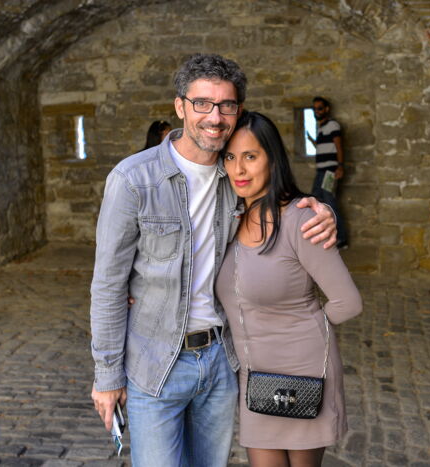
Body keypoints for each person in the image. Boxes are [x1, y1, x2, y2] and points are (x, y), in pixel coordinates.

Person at [89, 54, 337, 467]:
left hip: (222, 361)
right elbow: (108, 285)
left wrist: (321, 210)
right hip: (155, 363)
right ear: (180, 106)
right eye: (202, 103)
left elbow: (282, 202)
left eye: (226, 105)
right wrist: (107, 375)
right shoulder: (133, 180)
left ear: (238, 109)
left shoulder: (235, 177)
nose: (215, 117)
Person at [215, 111, 362, 467]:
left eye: (251, 156)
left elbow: (347, 302)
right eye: (230, 157)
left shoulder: (300, 220)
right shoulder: (228, 218)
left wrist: (298, 326)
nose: (239, 169)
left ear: (272, 159)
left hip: (303, 373)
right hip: (254, 376)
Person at [307, 96, 348, 249]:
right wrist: (312, 140)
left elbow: (339, 146)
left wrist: (340, 166)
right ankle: (324, 236)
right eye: (314, 109)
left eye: (319, 108)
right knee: (316, 201)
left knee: (330, 203)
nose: (316, 111)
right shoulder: (321, 128)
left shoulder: (332, 125)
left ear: (326, 109)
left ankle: (341, 239)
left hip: (330, 171)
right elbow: (323, 146)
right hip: (320, 172)